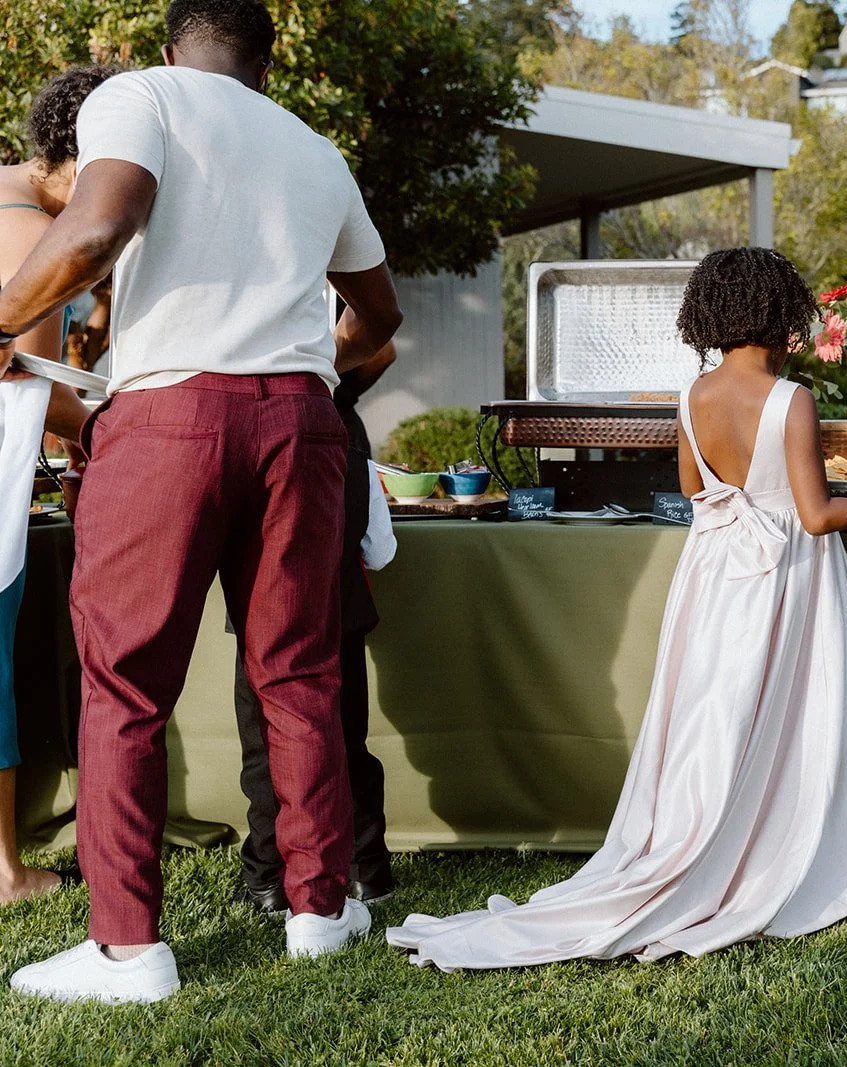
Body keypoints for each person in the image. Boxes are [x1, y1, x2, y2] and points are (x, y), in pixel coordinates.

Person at [1, 0, 403, 1004]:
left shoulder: (139, 95)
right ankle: (319, 909)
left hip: (171, 416)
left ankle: (129, 949)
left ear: (174, 50)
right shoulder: (317, 148)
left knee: (127, 683)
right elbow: (381, 314)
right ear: (266, 66)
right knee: (300, 672)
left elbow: (99, 223)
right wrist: (298, 360)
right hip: (302, 423)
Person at [387, 247, 847, 970]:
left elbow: (695, 491)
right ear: (778, 313)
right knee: (791, 712)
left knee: (712, 712)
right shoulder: (791, 400)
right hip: (784, 575)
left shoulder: (692, 396)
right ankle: (775, 839)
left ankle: (694, 834)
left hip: (713, 574)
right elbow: (817, 515)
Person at [0, 65, 118, 907]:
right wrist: (117, 431)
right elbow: (27, 389)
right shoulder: (34, 240)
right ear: (69, 157)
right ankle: (5, 871)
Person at [234, 340, 398, 915]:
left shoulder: (251, 423)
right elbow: (380, 550)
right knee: (347, 740)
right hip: (340, 612)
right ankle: (366, 870)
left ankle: (266, 875)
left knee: (264, 746)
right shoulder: (347, 433)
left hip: (262, 617)